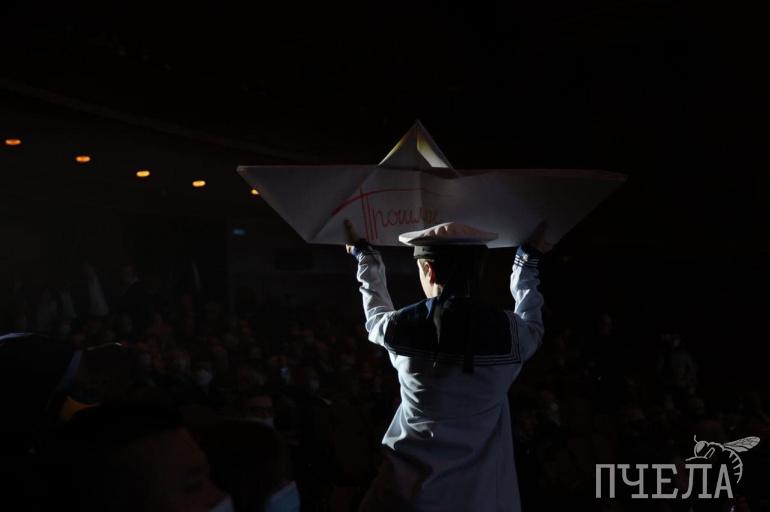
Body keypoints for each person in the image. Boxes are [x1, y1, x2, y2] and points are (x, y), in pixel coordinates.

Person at [345, 220, 551, 512]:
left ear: (428, 269)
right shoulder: (510, 334)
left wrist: (364, 255)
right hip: (479, 501)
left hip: (404, 498)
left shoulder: (400, 326)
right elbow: (534, 324)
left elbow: (375, 312)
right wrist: (525, 262)